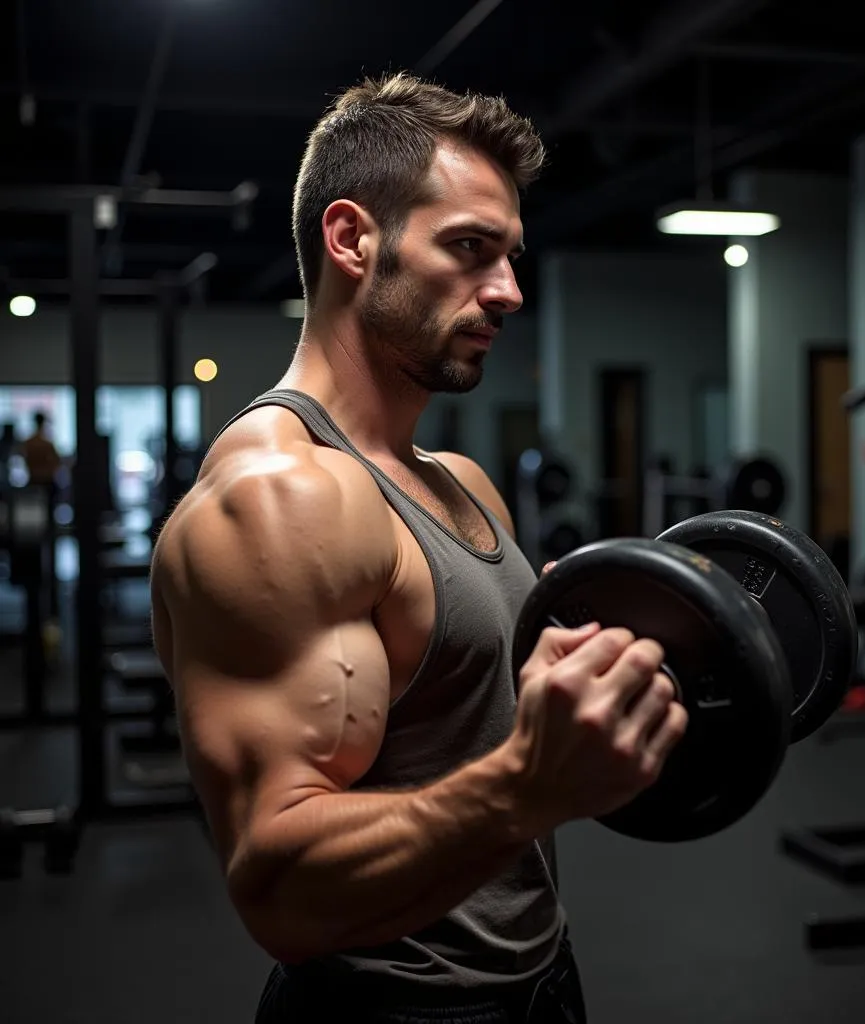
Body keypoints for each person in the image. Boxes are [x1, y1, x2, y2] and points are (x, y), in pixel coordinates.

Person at [149, 73, 687, 1023]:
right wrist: (525, 785)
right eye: (471, 249)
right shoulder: (281, 499)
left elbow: (476, 723)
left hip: (542, 982)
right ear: (353, 239)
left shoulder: (459, 481)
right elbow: (277, 888)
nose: (511, 291)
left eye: (513, 256)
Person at [21, 411, 61, 486]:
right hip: (46, 480)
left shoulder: (28, 443)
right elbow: (56, 461)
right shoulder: (47, 443)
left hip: (33, 479)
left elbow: (24, 459)